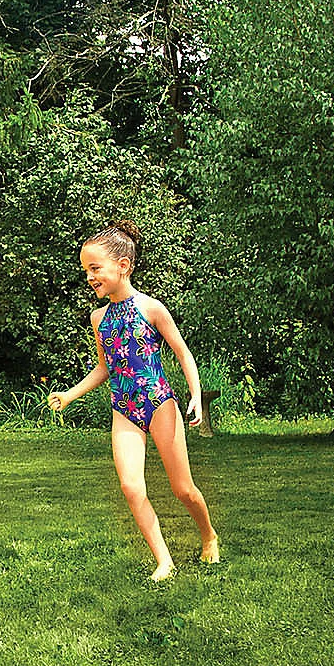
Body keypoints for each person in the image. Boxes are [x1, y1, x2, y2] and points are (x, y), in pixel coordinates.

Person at [47, 219, 220, 581]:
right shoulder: (99, 318)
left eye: (95, 268)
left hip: (159, 403)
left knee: (182, 489)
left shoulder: (151, 308)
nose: (89, 277)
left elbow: (183, 353)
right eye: (86, 270)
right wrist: (70, 394)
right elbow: (104, 367)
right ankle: (164, 561)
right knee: (130, 486)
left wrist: (194, 393)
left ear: (122, 266)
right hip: (123, 409)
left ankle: (209, 535)